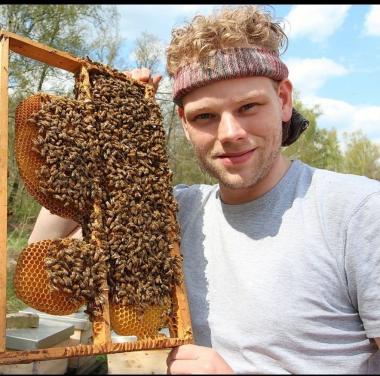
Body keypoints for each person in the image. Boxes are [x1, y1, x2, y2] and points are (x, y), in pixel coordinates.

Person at [27, 5, 380, 374]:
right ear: (184, 123)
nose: (230, 134)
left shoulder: (357, 211)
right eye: (205, 116)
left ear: (284, 100)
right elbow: (47, 263)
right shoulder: (174, 213)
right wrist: (99, 136)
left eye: (248, 106)